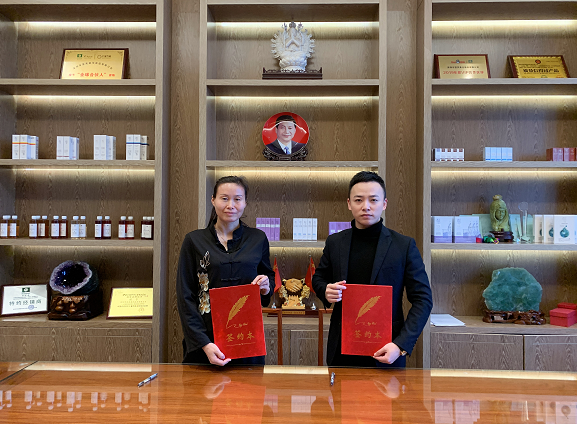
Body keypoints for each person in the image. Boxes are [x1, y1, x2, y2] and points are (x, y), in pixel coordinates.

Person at [312, 171, 433, 367]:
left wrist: (400, 345)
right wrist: (325, 290)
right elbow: (319, 278)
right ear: (349, 203)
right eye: (358, 200)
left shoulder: (403, 246)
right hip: (342, 348)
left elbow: (423, 299)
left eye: (373, 200)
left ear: (384, 204)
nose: (366, 206)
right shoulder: (335, 242)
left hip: (387, 348)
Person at [176, 176, 275, 366]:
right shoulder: (194, 241)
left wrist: (266, 286)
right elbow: (185, 296)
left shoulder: (258, 238)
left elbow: (267, 278)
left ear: (245, 202)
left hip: (246, 338)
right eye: (224, 198)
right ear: (213, 200)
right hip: (204, 341)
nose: (231, 205)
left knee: (248, 385)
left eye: (237, 199)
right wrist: (204, 344)